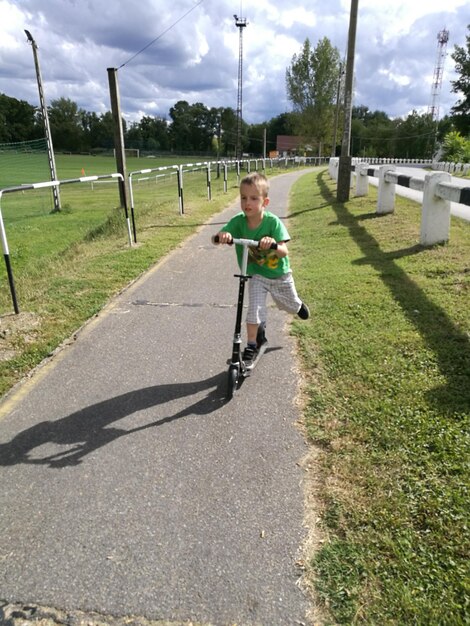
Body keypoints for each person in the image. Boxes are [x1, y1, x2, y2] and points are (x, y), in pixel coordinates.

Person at [214, 171, 309, 367]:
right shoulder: (239, 221)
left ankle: (298, 306)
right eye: (243, 198)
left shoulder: (272, 222)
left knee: (289, 305)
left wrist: (273, 243)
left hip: (279, 276)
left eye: (253, 198)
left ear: (265, 202)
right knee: (254, 309)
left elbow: (284, 251)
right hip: (257, 274)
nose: (247, 202)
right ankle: (251, 344)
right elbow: (218, 237)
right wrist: (222, 236)